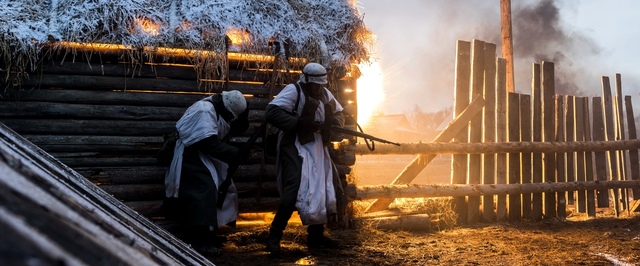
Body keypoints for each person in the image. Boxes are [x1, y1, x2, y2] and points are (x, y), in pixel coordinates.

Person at [264, 62, 345, 253]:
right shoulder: (294, 91)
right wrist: (300, 123)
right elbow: (272, 112)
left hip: (318, 147)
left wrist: (332, 123)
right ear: (307, 81)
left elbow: (340, 114)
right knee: (294, 185)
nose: (318, 88)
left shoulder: (325, 95)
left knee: (323, 187)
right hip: (294, 144)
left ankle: (315, 237)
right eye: (315, 85)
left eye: (320, 84)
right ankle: (274, 236)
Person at [164, 90, 250, 256]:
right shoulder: (204, 110)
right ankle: (198, 241)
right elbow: (208, 143)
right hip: (190, 155)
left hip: (201, 155)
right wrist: (235, 153)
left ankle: (207, 234)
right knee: (204, 189)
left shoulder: (216, 109)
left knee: (218, 187)